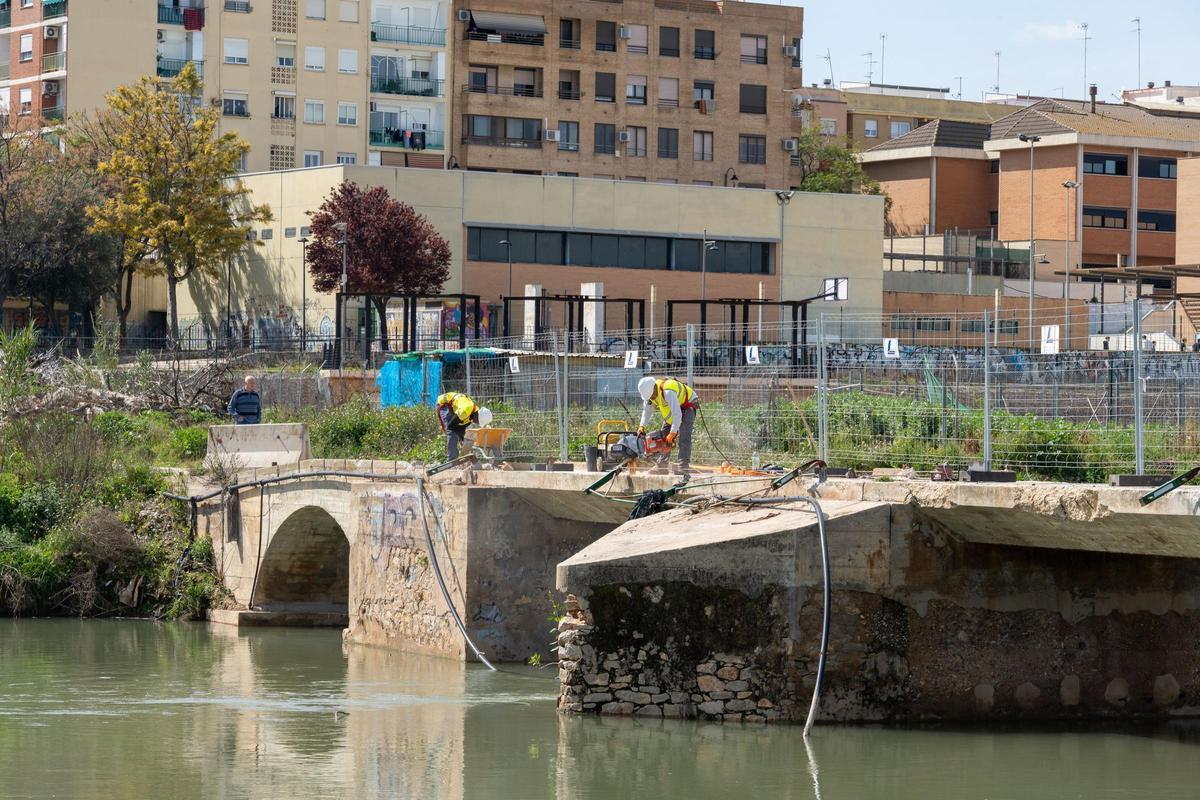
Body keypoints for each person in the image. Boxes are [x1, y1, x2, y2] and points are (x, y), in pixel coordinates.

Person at [637, 376, 699, 476]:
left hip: (688, 404)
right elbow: (647, 412)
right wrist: (641, 426)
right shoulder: (649, 395)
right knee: (663, 437)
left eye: (652, 395)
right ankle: (661, 466)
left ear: (654, 388)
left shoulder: (668, 392)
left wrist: (672, 433)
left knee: (684, 437)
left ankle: (683, 468)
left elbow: (677, 415)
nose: (652, 398)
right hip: (674, 409)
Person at [435, 391, 492, 459]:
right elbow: (451, 425)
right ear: (477, 416)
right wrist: (462, 438)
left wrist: (462, 439)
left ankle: (455, 455)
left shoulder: (472, 415)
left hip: (453, 407)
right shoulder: (465, 411)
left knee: (457, 432)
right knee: (452, 432)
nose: (476, 423)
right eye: (478, 421)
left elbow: (461, 428)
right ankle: (451, 458)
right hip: (444, 404)